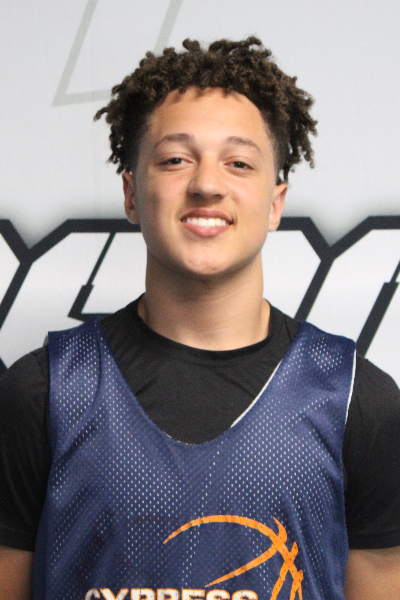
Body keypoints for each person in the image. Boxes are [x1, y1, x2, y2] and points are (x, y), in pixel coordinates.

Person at [0, 37, 399, 600]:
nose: (207, 184)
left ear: (275, 203)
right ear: (131, 194)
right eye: (175, 159)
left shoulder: (359, 400)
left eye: (239, 163)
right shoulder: (42, 392)